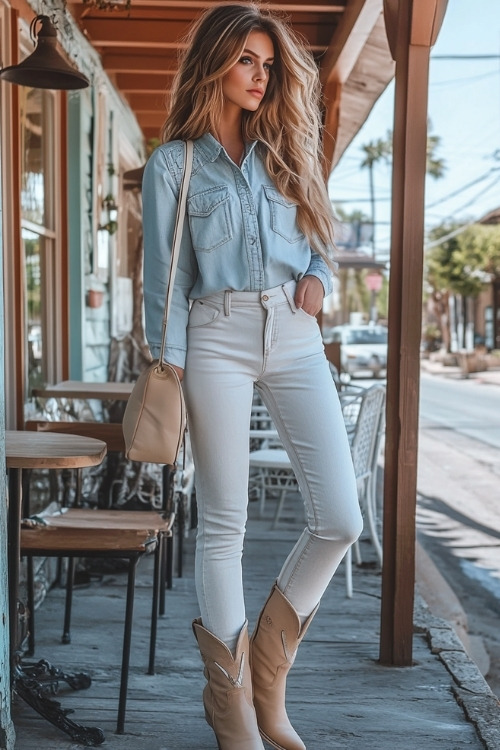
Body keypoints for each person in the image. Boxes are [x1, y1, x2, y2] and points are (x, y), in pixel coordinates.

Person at [142, 4, 363, 749]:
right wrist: (167, 359)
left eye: (268, 64)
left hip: (296, 336)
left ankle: (269, 671)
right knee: (225, 524)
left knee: (340, 516)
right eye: (247, 61)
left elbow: (321, 241)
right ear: (216, 63)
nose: (261, 76)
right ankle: (232, 708)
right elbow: (163, 284)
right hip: (215, 336)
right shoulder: (174, 164)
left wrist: (319, 281)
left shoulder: (290, 148)